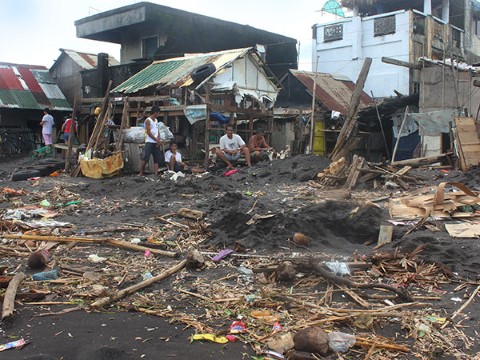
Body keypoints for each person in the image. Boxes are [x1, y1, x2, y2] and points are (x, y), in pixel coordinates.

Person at [138, 106, 162, 176]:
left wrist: (158, 140)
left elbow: (157, 130)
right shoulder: (148, 120)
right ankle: (141, 172)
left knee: (156, 159)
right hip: (149, 142)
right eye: (158, 113)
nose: (158, 114)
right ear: (155, 112)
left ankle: (156, 174)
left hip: (156, 142)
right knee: (145, 158)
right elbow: (148, 132)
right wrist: (156, 139)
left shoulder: (156, 120)